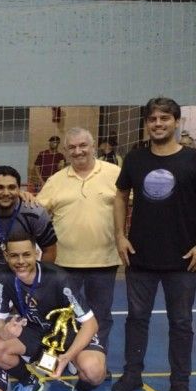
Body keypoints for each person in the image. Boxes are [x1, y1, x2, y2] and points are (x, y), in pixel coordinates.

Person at [112, 96, 196, 391]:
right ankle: (132, 375)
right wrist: (120, 236)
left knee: (182, 323)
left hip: (184, 259)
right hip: (140, 256)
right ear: (146, 124)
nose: (158, 124)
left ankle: (180, 383)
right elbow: (120, 196)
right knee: (137, 319)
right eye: (152, 119)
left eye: (164, 118)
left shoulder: (195, 160)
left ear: (176, 122)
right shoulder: (135, 158)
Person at [0, 229, 106, 391]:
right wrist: (3, 331)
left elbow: (90, 324)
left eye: (26, 254)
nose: (20, 261)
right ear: (6, 256)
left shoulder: (59, 278)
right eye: (14, 255)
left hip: (71, 334)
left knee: (94, 371)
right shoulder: (1, 277)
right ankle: (28, 381)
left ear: (37, 254)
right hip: (36, 333)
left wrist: (67, 357)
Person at [35, 128, 120, 351]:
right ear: (65, 151)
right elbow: (37, 214)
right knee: (62, 314)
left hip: (104, 261)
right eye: (72, 147)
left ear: (93, 147)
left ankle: (96, 360)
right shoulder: (55, 180)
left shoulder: (114, 173)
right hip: (63, 263)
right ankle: (57, 359)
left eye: (83, 145)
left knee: (100, 315)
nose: (78, 151)